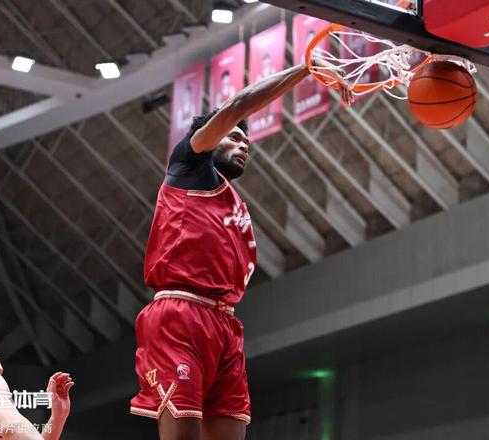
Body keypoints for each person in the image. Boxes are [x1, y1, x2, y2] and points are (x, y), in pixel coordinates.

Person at [129, 56, 351, 440]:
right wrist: (306, 69)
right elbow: (238, 106)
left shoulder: (231, 201)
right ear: (209, 137)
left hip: (225, 323)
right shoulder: (188, 163)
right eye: (234, 137)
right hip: (180, 316)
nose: (244, 144)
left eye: (247, 141)